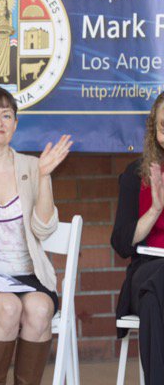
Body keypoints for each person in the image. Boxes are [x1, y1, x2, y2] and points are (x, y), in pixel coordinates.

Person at [0, 87, 71, 385]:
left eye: (6, 115)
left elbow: (44, 229)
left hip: (28, 275)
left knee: (39, 308)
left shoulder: (32, 166)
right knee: (8, 307)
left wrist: (45, 176)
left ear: (15, 124)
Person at [111, 91, 164, 385]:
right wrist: (156, 209)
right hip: (147, 268)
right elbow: (121, 244)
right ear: (154, 131)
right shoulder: (136, 174)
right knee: (156, 286)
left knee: (156, 296)